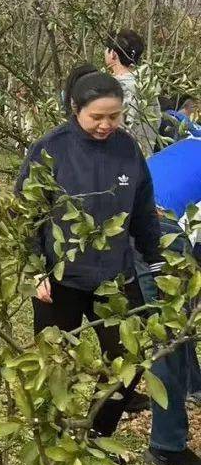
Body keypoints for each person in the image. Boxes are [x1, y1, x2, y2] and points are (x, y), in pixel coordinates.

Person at [17, 71, 163, 440]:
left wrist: (157, 259)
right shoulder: (52, 148)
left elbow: (143, 211)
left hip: (116, 278)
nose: (105, 125)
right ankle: (51, 439)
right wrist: (36, 269)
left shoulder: (127, 148)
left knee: (130, 361)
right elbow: (27, 212)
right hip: (62, 279)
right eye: (96, 117)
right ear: (75, 109)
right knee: (54, 365)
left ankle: (98, 432)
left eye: (113, 116)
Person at [136, 135, 201, 465]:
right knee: (168, 334)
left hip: (125, 217)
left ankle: (194, 386)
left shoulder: (190, 144)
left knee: (177, 319)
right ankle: (167, 445)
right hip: (158, 229)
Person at [105, 28, 160, 156]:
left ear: (113, 53)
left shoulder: (113, 88)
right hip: (146, 160)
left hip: (120, 161)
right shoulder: (149, 87)